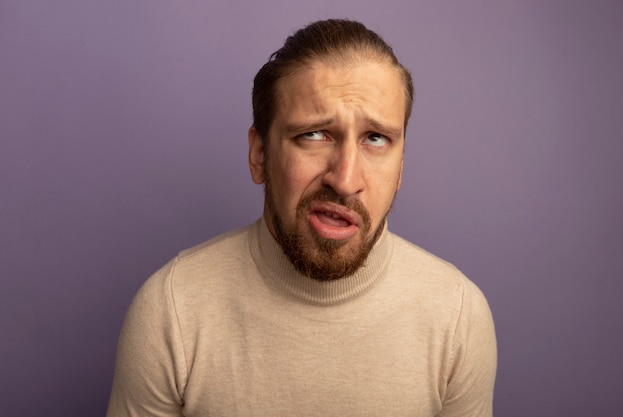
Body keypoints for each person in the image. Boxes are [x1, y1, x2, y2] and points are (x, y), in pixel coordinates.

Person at [106, 19, 497, 417]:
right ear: (260, 156)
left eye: (375, 138)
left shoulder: (458, 317)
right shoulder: (171, 310)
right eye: (314, 135)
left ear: (400, 168)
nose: (345, 181)